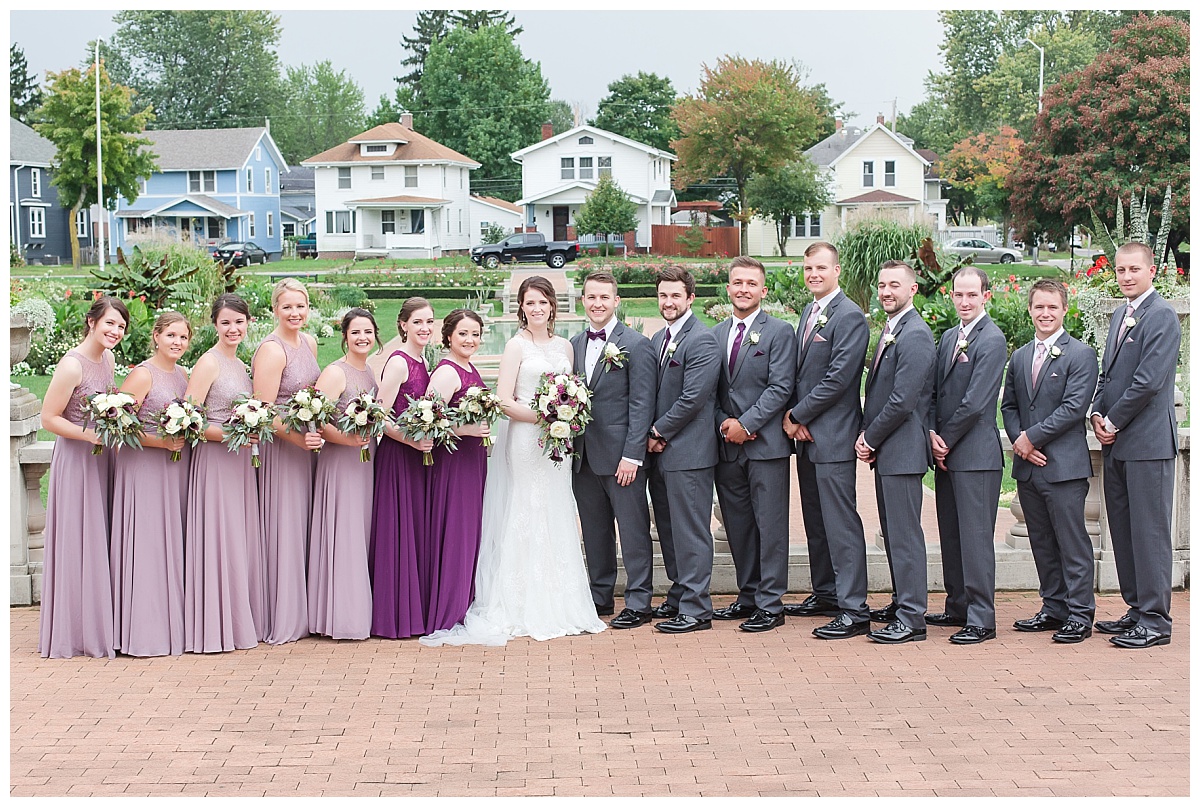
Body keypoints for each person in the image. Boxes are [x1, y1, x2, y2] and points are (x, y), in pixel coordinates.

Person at [421, 276, 605, 645]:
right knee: (525, 507)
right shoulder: (515, 346)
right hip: (525, 440)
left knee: (555, 508)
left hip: (557, 444)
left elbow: (572, 392)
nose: (537, 308)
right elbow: (503, 399)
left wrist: (565, 416)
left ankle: (560, 598)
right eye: (530, 302)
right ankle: (517, 601)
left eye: (543, 302)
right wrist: (545, 416)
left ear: (553, 306)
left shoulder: (565, 348)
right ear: (521, 307)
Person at [1089, 242, 1181, 649]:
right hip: (1118, 444)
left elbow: (1148, 381)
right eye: (1121, 270)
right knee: (1124, 531)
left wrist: (1112, 420)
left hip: (1148, 443)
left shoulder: (1160, 316)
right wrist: (1095, 411)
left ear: (1152, 271)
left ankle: (1156, 620)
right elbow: (1108, 375)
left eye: (1134, 270)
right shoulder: (1121, 316)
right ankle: (1136, 607)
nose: (1126, 276)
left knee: (1149, 533)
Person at [1001, 279, 1099, 644]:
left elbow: (1074, 409)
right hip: (1028, 467)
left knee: (1072, 542)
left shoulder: (1081, 354)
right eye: (1039, 307)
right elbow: (1008, 406)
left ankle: (1079, 614)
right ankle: (1053, 607)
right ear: (1030, 310)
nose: (1045, 313)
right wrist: (1019, 442)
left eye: (1052, 308)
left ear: (1064, 310)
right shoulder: (1021, 355)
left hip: (1064, 467)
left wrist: (1032, 438)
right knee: (1041, 541)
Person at [782, 242, 871, 640]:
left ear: (837, 270)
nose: (813, 274)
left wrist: (797, 415)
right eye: (807, 268)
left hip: (832, 435)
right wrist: (796, 419)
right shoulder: (810, 311)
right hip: (807, 437)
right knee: (816, 521)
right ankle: (826, 593)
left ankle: (854, 608)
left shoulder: (849, 315)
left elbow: (838, 378)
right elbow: (802, 373)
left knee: (840, 522)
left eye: (820, 267)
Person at [38, 296, 129, 659]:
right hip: (78, 458)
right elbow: (49, 418)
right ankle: (76, 631)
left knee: (100, 538)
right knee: (80, 538)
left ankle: (99, 622)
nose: (115, 332)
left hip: (102, 455)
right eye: (109, 323)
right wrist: (87, 433)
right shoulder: (72, 366)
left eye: (121, 327)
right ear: (92, 321)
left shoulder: (107, 359)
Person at [711, 257, 796, 633]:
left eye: (751, 283)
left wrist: (746, 424)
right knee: (738, 526)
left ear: (763, 290)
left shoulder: (779, 332)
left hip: (766, 447)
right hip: (727, 447)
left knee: (771, 525)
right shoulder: (714, 335)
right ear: (728, 288)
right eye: (737, 283)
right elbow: (706, 391)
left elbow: (781, 387)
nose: (743, 289)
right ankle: (748, 596)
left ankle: (771, 603)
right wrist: (724, 425)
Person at [569, 271, 658, 629]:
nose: (597, 304)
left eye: (604, 297)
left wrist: (633, 455)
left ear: (616, 301)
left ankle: (639, 601)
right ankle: (599, 596)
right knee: (594, 531)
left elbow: (642, 404)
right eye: (591, 297)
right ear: (583, 301)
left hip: (623, 458)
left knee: (633, 530)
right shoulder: (574, 344)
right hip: (583, 457)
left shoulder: (635, 344)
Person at [855, 261, 936, 644]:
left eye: (895, 285)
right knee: (893, 532)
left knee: (904, 535)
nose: (887, 291)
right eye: (882, 285)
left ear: (913, 290)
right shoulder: (892, 329)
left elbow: (903, 400)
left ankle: (912, 617)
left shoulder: (915, 334)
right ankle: (901, 602)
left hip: (902, 449)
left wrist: (870, 438)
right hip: (890, 450)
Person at [927, 265, 1007, 644]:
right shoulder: (947, 338)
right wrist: (931, 433)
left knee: (975, 538)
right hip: (947, 455)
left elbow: (976, 403)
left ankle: (981, 617)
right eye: (959, 294)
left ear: (985, 296)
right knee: (952, 535)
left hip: (975, 455)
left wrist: (944, 438)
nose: (964, 301)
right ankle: (957, 604)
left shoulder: (991, 340)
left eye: (972, 294)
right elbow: (933, 392)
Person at [183, 294, 265, 652]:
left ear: (248, 323)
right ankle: (215, 627)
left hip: (239, 463)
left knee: (238, 540)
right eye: (226, 322)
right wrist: (234, 433)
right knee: (220, 539)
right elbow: (189, 420)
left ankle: (236, 619)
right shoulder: (209, 362)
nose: (233, 329)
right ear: (214, 325)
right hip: (216, 462)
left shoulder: (241, 364)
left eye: (239, 322)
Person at [110, 310, 192, 657]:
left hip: (173, 470)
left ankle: (170, 625)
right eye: (171, 335)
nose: (177, 342)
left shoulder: (184, 375)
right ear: (156, 336)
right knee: (145, 546)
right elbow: (118, 425)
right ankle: (142, 632)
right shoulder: (142, 375)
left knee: (169, 545)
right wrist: (162, 441)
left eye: (183, 337)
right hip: (143, 468)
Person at [645, 265, 721, 635]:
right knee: (670, 529)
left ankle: (696, 608)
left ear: (690, 298)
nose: (668, 301)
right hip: (662, 453)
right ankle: (678, 594)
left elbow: (693, 398)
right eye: (663, 295)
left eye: (676, 295)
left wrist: (658, 430)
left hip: (689, 452)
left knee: (691, 530)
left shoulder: (702, 339)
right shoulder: (660, 337)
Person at [252, 278, 323, 645]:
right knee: (285, 526)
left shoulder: (308, 343)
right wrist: (298, 439)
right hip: (282, 449)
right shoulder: (272, 350)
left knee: (305, 525)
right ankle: (283, 614)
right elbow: (262, 411)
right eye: (288, 307)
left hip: (308, 447)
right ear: (275, 309)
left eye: (301, 306)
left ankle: (307, 608)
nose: (295, 313)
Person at [307, 309, 381, 641]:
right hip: (341, 461)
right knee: (345, 532)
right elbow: (316, 419)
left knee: (360, 531)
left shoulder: (369, 373)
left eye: (367, 331)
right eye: (355, 333)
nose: (362, 337)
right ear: (345, 336)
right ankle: (342, 616)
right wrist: (347, 439)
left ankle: (355, 608)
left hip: (365, 460)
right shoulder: (336, 373)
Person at [370, 298, 436, 639]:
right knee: (399, 534)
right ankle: (394, 615)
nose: (425, 328)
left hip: (418, 458)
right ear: (403, 325)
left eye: (429, 321)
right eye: (418, 322)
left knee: (415, 531)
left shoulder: (424, 360)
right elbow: (378, 417)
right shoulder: (398, 363)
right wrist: (410, 442)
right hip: (397, 457)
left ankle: (415, 610)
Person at [424, 309, 491, 632]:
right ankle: (449, 612)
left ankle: (463, 602)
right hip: (454, 464)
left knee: (469, 534)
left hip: (472, 462)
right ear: (448, 336)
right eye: (463, 333)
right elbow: (426, 421)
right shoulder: (447, 372)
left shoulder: (468, 367)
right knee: (457, 535)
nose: (470, 340)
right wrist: (465, 431)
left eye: (475, 334)